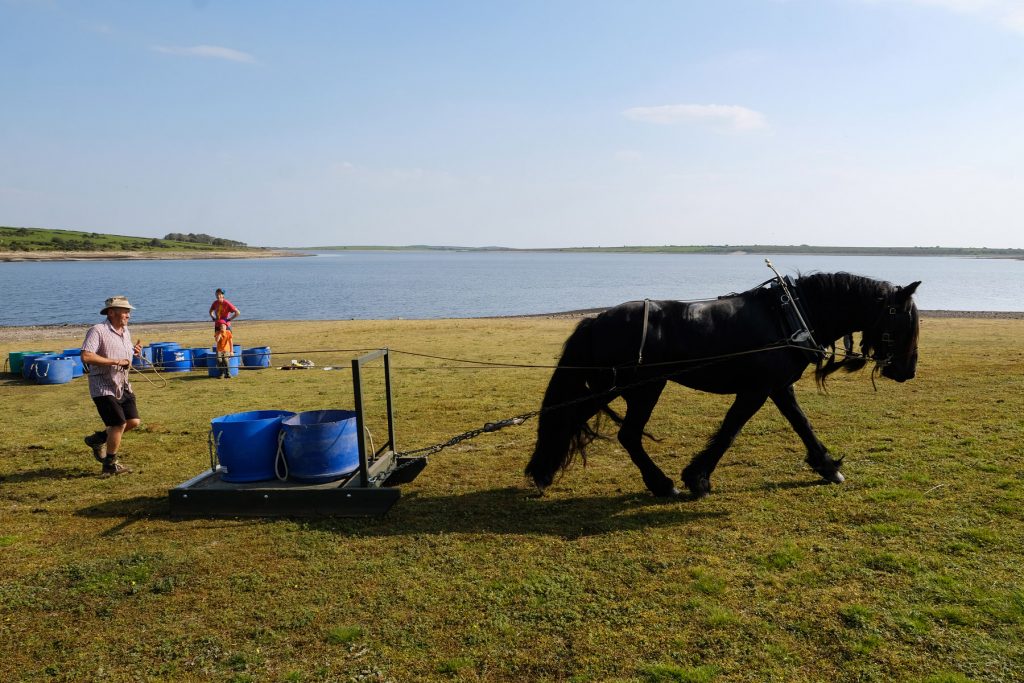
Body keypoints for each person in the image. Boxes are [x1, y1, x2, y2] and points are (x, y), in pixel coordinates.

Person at [81, 295, 143, 476]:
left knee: (133, 421)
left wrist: (135, 352)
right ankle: (109, 465)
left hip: (122, 385)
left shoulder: (126, 332)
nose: (128, 315)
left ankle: (98, 438)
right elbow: (86, 356)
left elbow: (126, 354)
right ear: (111, 312)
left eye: (128, 312)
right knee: (118, 424)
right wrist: (115, 361)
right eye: (125, 311)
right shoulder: (97, 330)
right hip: (103, 386)